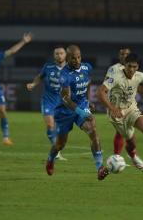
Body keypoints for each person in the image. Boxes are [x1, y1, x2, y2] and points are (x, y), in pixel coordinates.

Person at [45, 45, 109, 180]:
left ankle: (100, 167)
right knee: (60, 144)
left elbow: (88, 82)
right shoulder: (64, 75)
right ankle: (50, 159)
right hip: (64, 111)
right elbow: (65, 99)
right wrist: (80, 112)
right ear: (68, 58)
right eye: (73, 58)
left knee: (93, 131)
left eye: (79, 57)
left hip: (81, 105)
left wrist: (87, 99)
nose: (77, 60)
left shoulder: (87, 67)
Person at [109, 47, 143, 170]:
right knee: (122, 132)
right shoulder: (114, 69)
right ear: (119, 56)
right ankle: (123, 157)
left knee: (126, 132)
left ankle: (128, 156)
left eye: (126, 54)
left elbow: (133, 86)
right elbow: (108, 86)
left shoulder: (131, 69)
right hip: (117, 105)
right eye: (122, 54)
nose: (124, 56)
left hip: (129, 105)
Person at [26, 46, 68, 160]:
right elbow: (40, 77)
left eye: (61, 53)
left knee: (60, 129)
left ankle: (57, 147)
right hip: (48, 100)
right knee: (50, 125)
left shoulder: (70, 69)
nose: (59, 55)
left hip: (62, 102)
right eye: (57, 54)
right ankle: (57, 151)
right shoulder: (48, 66)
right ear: (54, 56)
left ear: (65, 55)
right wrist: (33, 84)